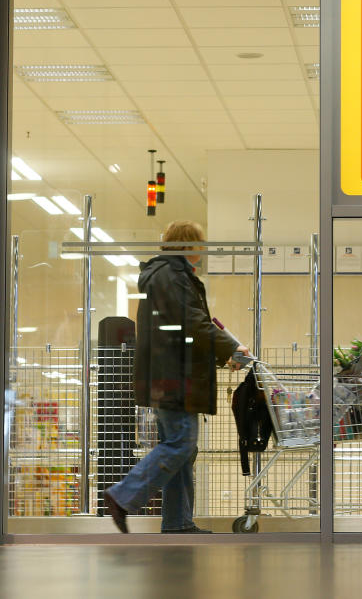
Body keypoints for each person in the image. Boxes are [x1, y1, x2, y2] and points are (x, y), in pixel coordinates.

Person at [104, 221, 247, 533]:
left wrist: (224, 355)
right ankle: (122, 495)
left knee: (182, 449)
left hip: (169, 373)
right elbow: (193, 322)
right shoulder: (172, 275)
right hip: (174, 377)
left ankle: (177, 522)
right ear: (188, 246)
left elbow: (184, 330)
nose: (203, 250)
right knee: (181, 443)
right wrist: (231, 346)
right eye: (200, 244)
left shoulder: (166, 275)